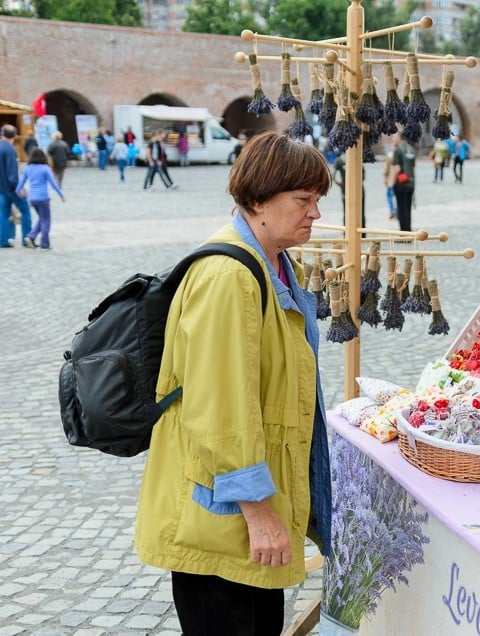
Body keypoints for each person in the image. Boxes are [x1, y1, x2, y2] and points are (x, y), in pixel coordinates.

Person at [134, 132, 333, 636]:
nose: (315, 214)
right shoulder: (229, 275)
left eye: (317, 200)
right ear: (259, 199)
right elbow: (219, 408)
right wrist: (258, 511)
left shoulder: (275, 265)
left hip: (241, 518)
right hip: (224, 519)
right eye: (303, 200)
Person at [16, 147, 64, 250]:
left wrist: (18, 191)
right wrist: (61, 195)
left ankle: (31, 237)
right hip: (43, 198)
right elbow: (53, 184)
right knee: (46, 220)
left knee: (42, 218)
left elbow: (21, 182)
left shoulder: (27, 168)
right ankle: (44, 244)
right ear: (43, 157)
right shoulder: (45, 168)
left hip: (32, 198)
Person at [0, 124, 31, 248]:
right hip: (11, 188)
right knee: (25, 210)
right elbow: (12, 173)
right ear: (14, 136)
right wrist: (19, 188)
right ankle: (27, 238)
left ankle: (4, 240)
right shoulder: (10, 149)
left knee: (3, 213)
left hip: (1, 187)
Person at [389, 133, 416, 232]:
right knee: (408, 208)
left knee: (401, 208)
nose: (393, 139)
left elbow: (397, 168)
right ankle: (408, 231)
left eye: (394, 137)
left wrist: (391, 183)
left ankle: (403, 233)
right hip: (410, 183)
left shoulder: (398, 150)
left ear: (399, 138)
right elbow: (413, 169)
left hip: (401, 183)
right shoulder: (411, 150)